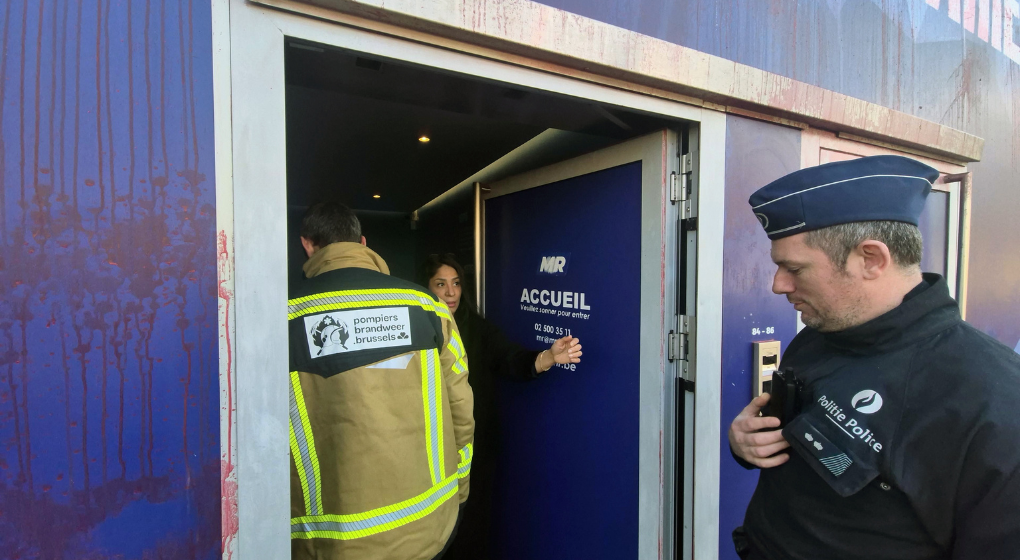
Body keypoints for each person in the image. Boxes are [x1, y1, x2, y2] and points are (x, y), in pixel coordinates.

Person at [727, 155, 1020, 560]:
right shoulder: (817, 337)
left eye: (793, 268)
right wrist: (744, 446)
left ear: (871, 259)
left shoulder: (996, 405)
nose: (779, 285)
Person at [288, 203, 474, 560]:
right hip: (431, 524)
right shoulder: (426, 307)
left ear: (308, 245)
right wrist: (460, 492)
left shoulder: (285, 317)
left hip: (335, 543)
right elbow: (462, 410)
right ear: (362, 242)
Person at [419, 253, 582, 560]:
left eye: (456, 283)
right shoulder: (412, 333)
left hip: (475, 452)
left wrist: (548, 357)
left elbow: (510, 359)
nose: (451, 293)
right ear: (426, 288)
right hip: (429, 452)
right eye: (441, 285)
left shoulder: (479, 330)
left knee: (471, 530)